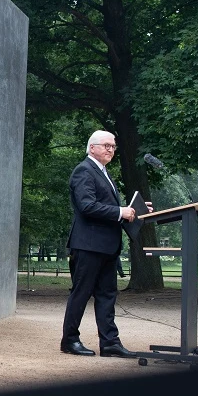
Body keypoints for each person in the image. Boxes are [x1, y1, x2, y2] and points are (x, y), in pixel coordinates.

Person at [60, 130, 147, 358]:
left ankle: (109, 343)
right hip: (88, 245)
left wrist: (134, 211)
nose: (110, 149)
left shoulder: (104, 173)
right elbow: (87, 206)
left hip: (107, 246)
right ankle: (69, 340)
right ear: (92, 148)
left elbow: (106, 208)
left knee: (108, 295)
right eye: (106, 145)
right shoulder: (84, 171)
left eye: (113, 146)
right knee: (81, 293)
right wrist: (121, 211)